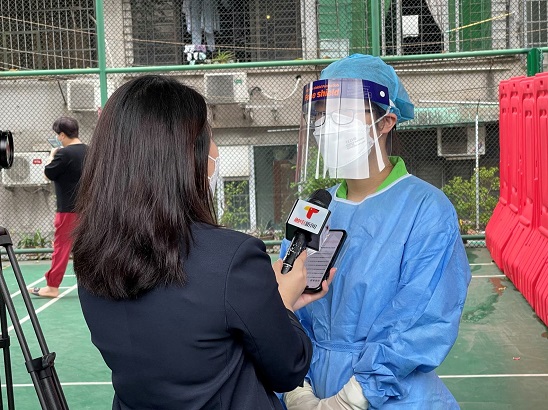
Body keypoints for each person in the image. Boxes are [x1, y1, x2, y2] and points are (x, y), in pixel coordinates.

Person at [72, 75, 334, 410]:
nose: (215, 150)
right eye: (209, 136)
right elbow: (289, 369)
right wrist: (281, 303)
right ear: (183, 158)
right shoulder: (232, 258)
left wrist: (261, 300)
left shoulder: (90, 255)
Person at [280, 54, 471, 409]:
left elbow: (422, 318)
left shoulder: (426, 210)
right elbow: (288, 299)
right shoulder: (315, 209)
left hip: (391, 396)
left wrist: (355, 396)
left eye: (343, 113)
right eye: (320, 115)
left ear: (386, 122)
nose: (327, 126)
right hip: (311, 388)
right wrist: (295, 385)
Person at [28, 116, 87, 298]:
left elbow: (48, 174)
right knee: (89, 247)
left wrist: (52, 155)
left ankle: (52, 287)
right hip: (89, 208)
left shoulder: (64, 154)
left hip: (68, 210)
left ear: (62, 135)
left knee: (61, 247)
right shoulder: (90, 151)